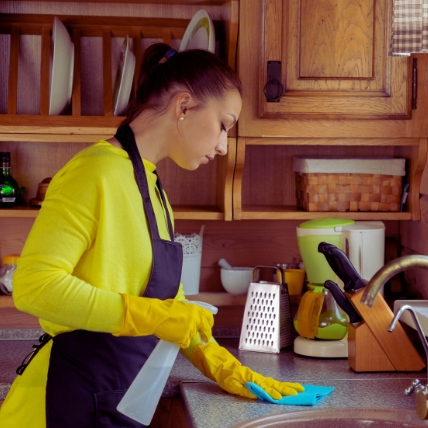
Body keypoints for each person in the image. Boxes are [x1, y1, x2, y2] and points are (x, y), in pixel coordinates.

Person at [0, 44, 303, 428]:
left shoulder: (154, 191)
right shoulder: (93, 173)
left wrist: (224, 367)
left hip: (116, 399)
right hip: (64, 402)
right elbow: (34, 287)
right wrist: (152, 316)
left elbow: (169, 306)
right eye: (224, 125)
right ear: (183, 106)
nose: (224, 145)